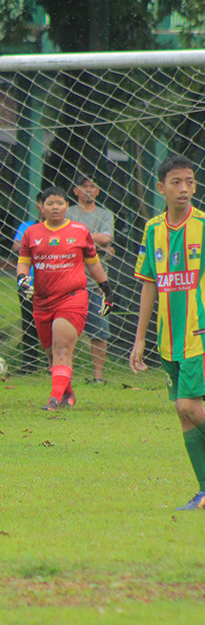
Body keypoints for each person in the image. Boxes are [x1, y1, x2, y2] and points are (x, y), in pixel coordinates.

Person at [130, 154, 205, 511]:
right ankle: (204, 492)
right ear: (161, 188)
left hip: (199, 334)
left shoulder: (204, 225)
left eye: (190, 181)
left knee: (187, 404)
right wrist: (140, 338)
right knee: (184, 413)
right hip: (168, 339)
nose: (185, 189)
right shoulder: (152, 229)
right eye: (176, 182)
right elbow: (149, 285)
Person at [16, 186, 112, 411]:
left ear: (67, 206)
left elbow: (93, 262)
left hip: (72, 299)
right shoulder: (32, 233)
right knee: (52, 357)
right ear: (42, 207)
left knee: (62, 349)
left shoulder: (80, 231)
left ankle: (53, 400)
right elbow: (23, 261)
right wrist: (21, 278)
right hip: (41, 301)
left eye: (59, 203)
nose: (55, 207)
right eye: (50, 203)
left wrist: (106, 288)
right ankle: (67, 394)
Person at [66, 175, 116, 384]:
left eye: (92, 186)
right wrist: (95, 241)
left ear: (97, 191)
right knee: (67, 331)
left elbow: (106, 239)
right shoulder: (68, 212)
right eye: (84, 186)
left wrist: (79, 237)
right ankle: (65, 374)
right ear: (75, 190)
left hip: (95, 284)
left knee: (100, 331)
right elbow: (64, 237)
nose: (88, 190)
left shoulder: (105, 214)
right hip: (69, 282)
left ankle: (98, 377)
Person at [11, 195, 44, 374]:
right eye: (43, 203)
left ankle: (54, 365)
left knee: (53, 326)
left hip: (52, 284)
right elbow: (17, 246)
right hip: (28, 284)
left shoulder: (61, 229)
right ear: (38, 205)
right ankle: (29, 365)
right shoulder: (27, 226)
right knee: (29, 325)